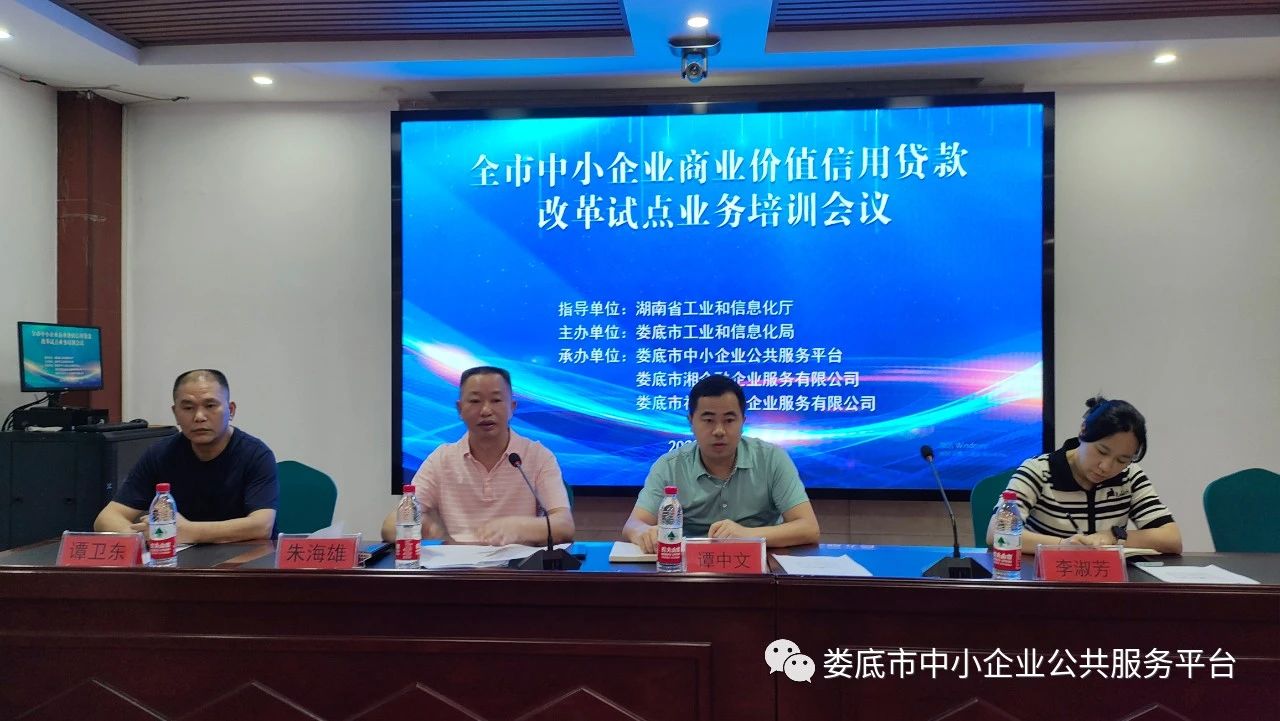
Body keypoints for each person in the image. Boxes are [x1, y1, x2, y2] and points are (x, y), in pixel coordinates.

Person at [622, 374, 820, 551]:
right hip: (689, 569)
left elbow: (809, 528)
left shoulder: (772, 459)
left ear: (743, 422)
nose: (719, 431)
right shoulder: (669, 466)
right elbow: (633, 525)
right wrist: (644, 532)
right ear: (691, 422)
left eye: (729, 420)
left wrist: (747, 535)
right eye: (708, 420)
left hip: (758, 566)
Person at [381, 365, 574, 545]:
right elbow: (389, 528)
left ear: (512, 407)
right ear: (460, 409)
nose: (486, 410)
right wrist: (424, 527)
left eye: (496, 400)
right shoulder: (441, 460)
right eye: (475, 401)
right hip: (459, 566)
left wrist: (518, 527)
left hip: (520, 566)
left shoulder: (538, 456)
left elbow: (564, 526)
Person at [94, 369, 278, 542]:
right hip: (179, 558)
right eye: (188, 408)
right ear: (175, 413)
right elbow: (106, 518)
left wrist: (189, 531)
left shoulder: (256, 455)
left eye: (210, 406)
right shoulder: (160, 454)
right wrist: (145, 537)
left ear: (231, 410)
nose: (199, 416)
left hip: (243, 558)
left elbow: (262, 526)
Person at [986, 396, 1182, 555]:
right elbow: (997, 533)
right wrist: (1062, 545)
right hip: (1047, 581)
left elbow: (1172, 538)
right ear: (1083, 431)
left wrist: (1113, 536)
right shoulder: (1038, 470)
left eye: (1122, 460)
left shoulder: (1129, 476)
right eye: (1102, 451)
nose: (1106, 467)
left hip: (1106, 583)